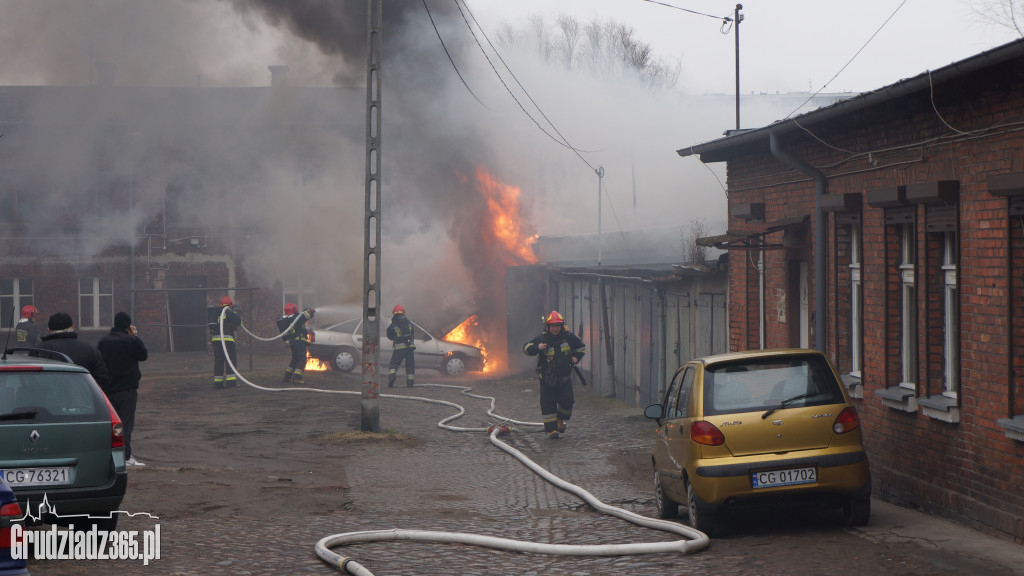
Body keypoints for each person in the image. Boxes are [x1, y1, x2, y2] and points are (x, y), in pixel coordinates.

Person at [523, 310, 586, 439]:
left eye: (558, 326)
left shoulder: (568, 337)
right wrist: (538, 347)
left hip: (564, 379)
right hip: (547, 380)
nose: (555, 329)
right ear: (548, 327)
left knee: (567, 402)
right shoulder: (542, 338)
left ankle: (560, 419)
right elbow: (526, 348)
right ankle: (552, 430)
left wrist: (576, 357)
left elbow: (581, 347)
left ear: (561, 326)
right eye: (553, 326)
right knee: (548, 404)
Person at [97, 312, 149, 467]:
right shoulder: (130, 340)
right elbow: (143, 355)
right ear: (128, 326)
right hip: (126, 389)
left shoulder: (104, 341)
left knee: (111, 423)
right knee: (125, 424)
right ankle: (125, 457)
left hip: (108, 389)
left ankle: (110, 455)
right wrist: (135, 336)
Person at [37, 312, 109, 389]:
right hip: (81, 398)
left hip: (49, 398)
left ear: (49, 330)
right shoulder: (90, 349)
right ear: (73, 326)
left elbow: (33, 381)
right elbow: (102, 380)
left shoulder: (40, 350)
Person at [207, 295, 242, 389]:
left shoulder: (216, 312)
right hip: (227, 340)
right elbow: (238, 321)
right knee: (230, 361)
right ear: (230, 305)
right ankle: (231, 383)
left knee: (218, 361)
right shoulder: (228, 311)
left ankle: (218, 383)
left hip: (216, 341)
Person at [278, 303, 315, 384]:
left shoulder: (286, 319)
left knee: (295, 360)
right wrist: (311, 311)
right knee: (302, 359)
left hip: (292, 343)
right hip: (299, 342)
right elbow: (307, 316)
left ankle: (287, 377)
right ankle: (297, 378)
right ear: (294, 309)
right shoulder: (297, 317)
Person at [386, 304, 416, 388]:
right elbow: (413, 333)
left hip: (399, 348)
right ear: (403, 312)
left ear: (394, 313)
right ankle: (410, 383)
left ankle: (392, 378)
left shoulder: (393, 325)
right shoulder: (409, 323)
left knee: (394, 364)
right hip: (410, 347)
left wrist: (396, 338)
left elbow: (389, 335)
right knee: (410, 365)